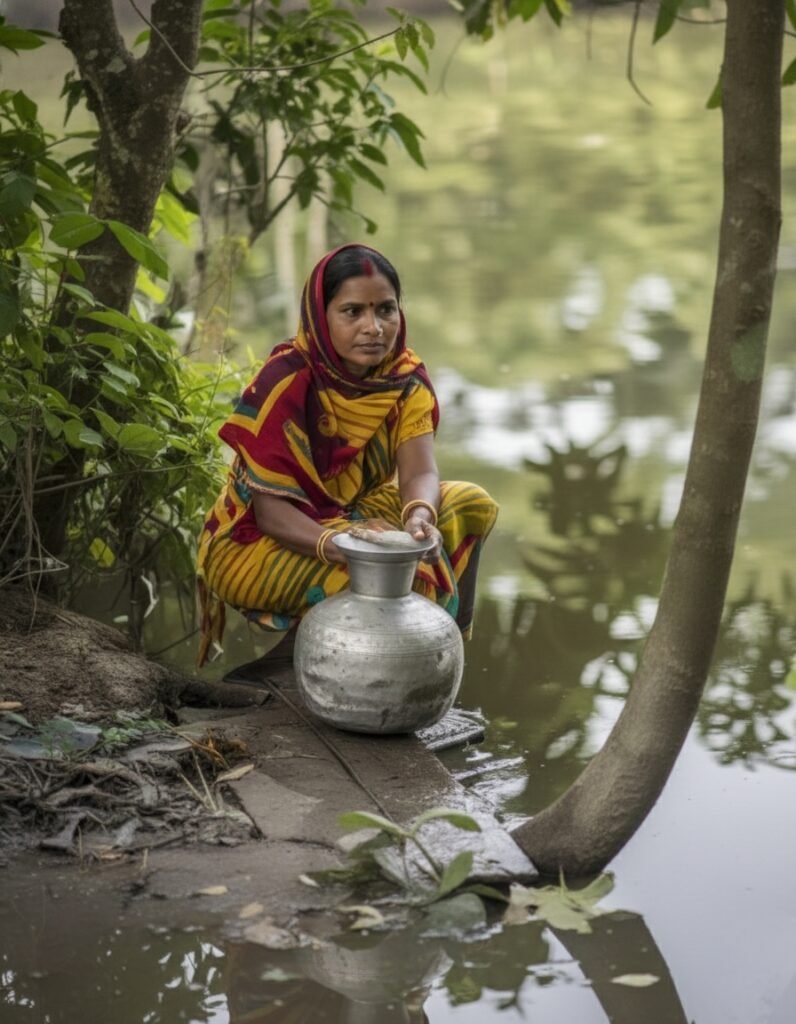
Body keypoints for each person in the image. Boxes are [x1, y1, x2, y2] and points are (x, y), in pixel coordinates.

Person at [196, 243, 498, 675]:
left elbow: (420, 470)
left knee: (470, 503)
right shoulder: (287, 380)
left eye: (386, 310)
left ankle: (440, 661)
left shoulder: (404, 380)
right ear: (322, 315)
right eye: (353, 312)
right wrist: (345, 546)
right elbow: (271, 513)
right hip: (254, 541)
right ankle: (328, 670)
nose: (374, 328)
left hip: (348, 515)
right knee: (385, 582)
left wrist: (418, 517)